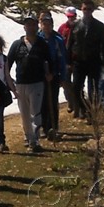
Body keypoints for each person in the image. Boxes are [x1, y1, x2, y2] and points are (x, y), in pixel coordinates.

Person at [7, 16, 54, 153]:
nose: (30, 27)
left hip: (37, 83)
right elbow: (8, 64)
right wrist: (10, 82)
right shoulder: (17, 44)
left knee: (36, 113)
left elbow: (50, 61)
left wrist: (50, 73)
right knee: (25, 114)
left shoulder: (42, 44)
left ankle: (35, 140)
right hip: (21, 83)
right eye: (28, 25)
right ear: (24, 27)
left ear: (36, 26)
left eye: (33, 25)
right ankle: (28, 137)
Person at [66, 0, 104, 120]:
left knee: (93, 90)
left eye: (89, 9)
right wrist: (68, 61)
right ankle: (84, 109)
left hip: (94, 62)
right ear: (81, 9)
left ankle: (92, 114)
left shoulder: (99, 26)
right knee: (76, 88)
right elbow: (69, 44)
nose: (87, 11)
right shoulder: (75, 25)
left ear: (93, 10)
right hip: (78, 62)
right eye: (85, 9)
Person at [37, 13, 67, 141]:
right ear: (41, 25)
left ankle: (54, 127)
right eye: (44, 24)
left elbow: (62, 60)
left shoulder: (57, 40)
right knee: (42, 102)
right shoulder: (38, 38)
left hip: (54, 75)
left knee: (53, 101)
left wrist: (60, 76)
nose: (47, 27)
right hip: (40, 75)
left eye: (49, 24)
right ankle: (44, 127)